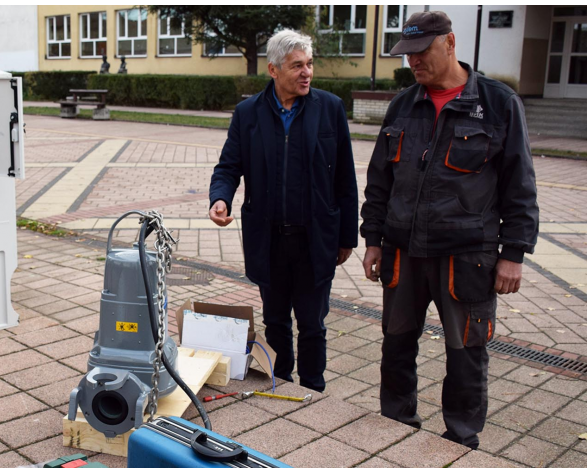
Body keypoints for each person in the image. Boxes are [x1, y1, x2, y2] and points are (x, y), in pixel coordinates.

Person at [360, 11, 539, 449]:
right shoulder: (403, 105)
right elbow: (380, 180)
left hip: (467, 257)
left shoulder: (498, 103)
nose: (414, 62)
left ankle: (460, 440)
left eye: (422, 52)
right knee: (396, 344)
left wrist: (513, 253)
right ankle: (395, 425)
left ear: (450, 43)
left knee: (466, 353)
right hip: (403, 251)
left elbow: (520, 185)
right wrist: (373, 240)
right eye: (408, 55)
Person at [209, 29, 359, 392]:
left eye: (309, 64)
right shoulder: (248, 113)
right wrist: (220, 198)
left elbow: (345, 177)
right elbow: (229, 166)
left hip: (315, 238)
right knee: (275, 321)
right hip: (269, 239)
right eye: (297, 66)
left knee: (312, 324)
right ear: (274, 70)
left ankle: (313, 387)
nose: (306, 73)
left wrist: (346, 238)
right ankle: (282, 382)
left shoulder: (330, 108)